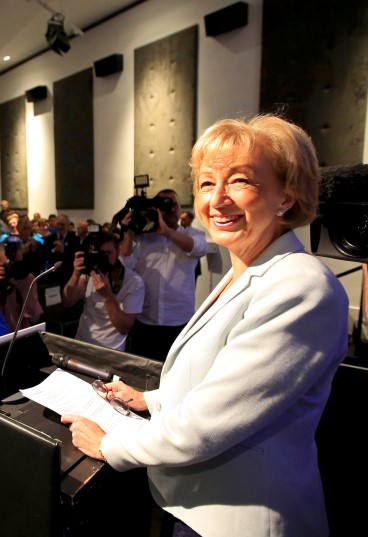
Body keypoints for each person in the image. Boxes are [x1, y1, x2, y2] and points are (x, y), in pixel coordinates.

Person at [61, 114, 348, 537]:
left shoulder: (301, 285)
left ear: (286, 196)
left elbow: (206, 426)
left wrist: (108, 445)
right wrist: (151, 400)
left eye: (240, 180)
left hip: (243, 520)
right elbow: (221, 383)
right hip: (199, 506)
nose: (217, 200)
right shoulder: (246, 271)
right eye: (207, 183)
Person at [118, 188, 208, 361]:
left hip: (179, 321)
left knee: (177, 372)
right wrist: (128, 233)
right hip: (145, 320)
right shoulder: (143, 238)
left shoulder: (192, 234)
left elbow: (200, 248)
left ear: (180, 208)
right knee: (143, 370)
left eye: (174, 204)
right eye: (164, 205)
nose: (171, 209)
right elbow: (127, 265)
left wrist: (166, 232)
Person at [61, 231, 144, 351]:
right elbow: (67, 302)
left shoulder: (134, 282)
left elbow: (124, 327)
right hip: (82, 343)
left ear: (118, 251)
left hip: (110, 350)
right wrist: (75, 274)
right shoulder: (91, 272)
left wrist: (108, 296)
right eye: (98, 254)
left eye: (108, 253)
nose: (103, 258)